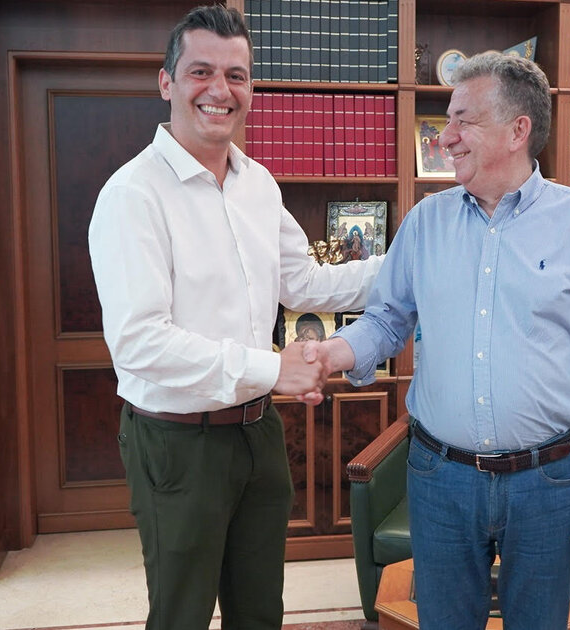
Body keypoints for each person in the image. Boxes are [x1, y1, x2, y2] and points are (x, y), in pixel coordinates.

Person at [318, 52, 570, 629]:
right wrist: (330, 353)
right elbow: (386, 321)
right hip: (440, 478)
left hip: (550, 481)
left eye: (462, 120)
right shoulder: (425, 222)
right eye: (448, 121)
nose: (444, 137)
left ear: (518, 130)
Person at [87, 6, 382, 630]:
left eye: (236, 76)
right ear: (166, 82)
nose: (220, 90)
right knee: (182, 615)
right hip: (176, 441)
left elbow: (305, 282)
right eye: (201, 72)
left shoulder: (258, 183)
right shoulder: (132, 195)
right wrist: (274, 369)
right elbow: (139, 344)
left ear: (250, 88)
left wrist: (410, 263)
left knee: (260, 612)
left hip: (258, 433)